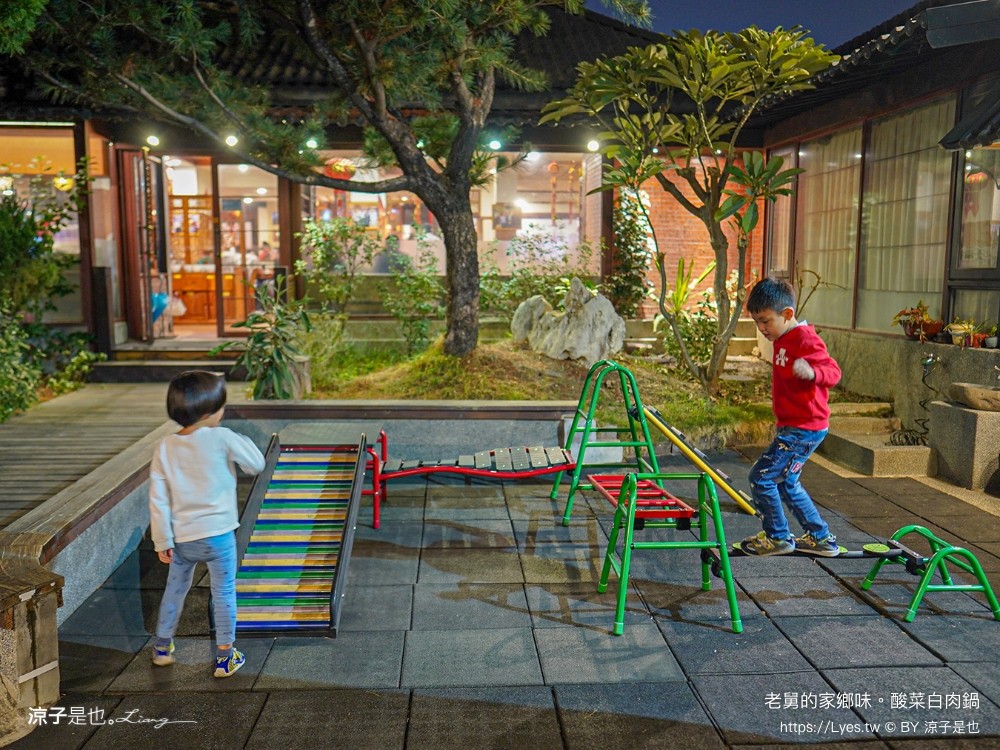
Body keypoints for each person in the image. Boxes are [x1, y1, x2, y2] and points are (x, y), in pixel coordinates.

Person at [147, 371, 265, 677]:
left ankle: (162, 647)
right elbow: (256, 464)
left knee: (175, 590)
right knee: (224, 592)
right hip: (219, 536)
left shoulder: (165, 446)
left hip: (183, 538)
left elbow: (158, 499)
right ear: (209, 412)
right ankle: (225, 657)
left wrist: (162, 540)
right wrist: (240, 439)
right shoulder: (222, 437)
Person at [742, 277, 842, 557]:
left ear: (787, 314)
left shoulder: (805, 339)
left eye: (765, 321)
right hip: (795, 426)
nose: (761, 329)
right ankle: (821, 538)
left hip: (804, 428)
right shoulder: (782, 337)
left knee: (761, 477)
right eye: (757, 322)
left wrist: (813, 373)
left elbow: (833, 372)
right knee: (786, 483)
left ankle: (777, 537)